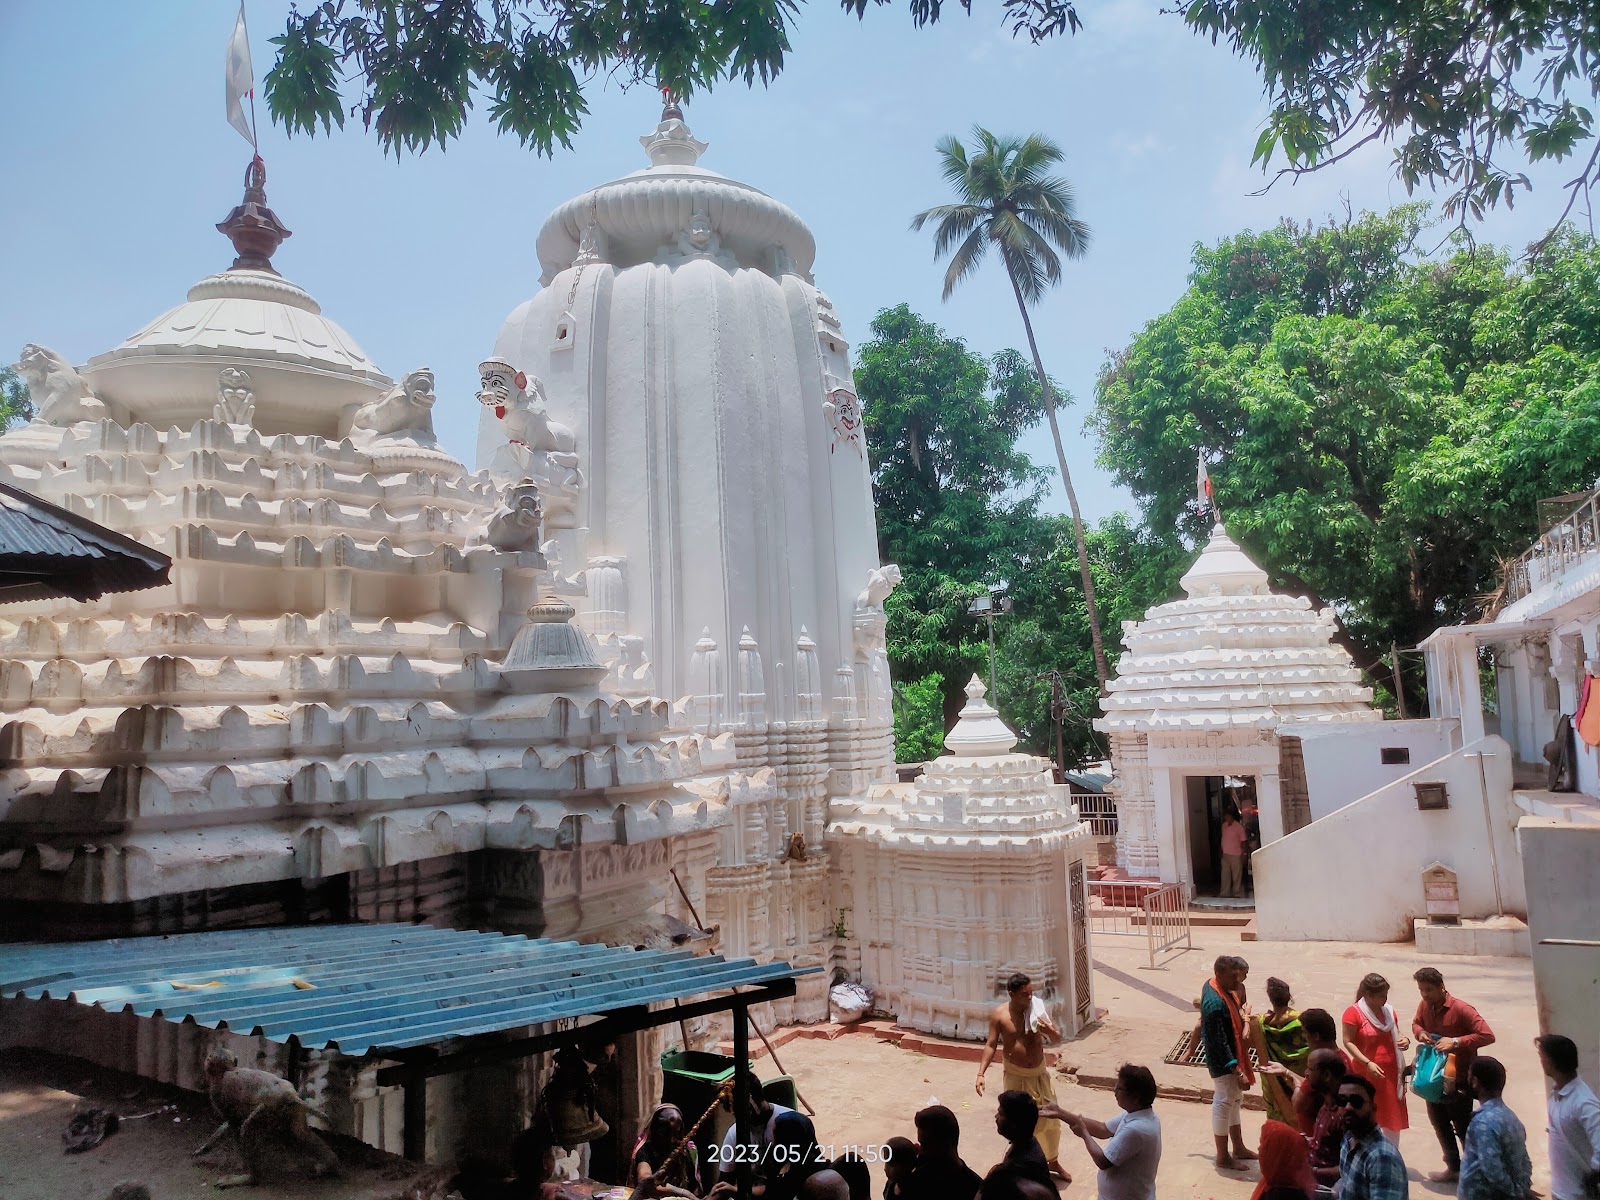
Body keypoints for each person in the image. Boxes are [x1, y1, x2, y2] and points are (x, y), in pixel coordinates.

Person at [977, 974, 1070, 1183]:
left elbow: (1057, 1038)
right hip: (1015, 1075)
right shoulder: (999, 1015)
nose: (1029, 997)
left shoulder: (1037, 1010)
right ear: (1011, 994)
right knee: (1020, 1124)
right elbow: (991, 1044)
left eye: (1031, 993)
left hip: (1039, 1074)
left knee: (1052, 1121)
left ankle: (1052, 1161)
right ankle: (1020, 1166)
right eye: (1024, 994)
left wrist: (1049, 1031)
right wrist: (981, 1073)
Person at [1411, 966, 1497, 1182]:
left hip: (1459, 1079)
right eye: (1421, 990)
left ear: (1442, 987)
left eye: (1429, 990)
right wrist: (1420, 1033)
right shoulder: (1425, 1005)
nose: (1425, 995)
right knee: (1439, 1123)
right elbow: (1416, 1023)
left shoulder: (1462, 1009)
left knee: (1463, 1127)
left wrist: (1457, 1042)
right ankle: (1454, 1167)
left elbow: (1487, 1035)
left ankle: (1475, 1172)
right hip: (1433, 1080)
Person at [1040, 1063, 1161, 1200]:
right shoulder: (1137, 1114)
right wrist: (1061, 1113)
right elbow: (1103, 1129)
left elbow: (1103, 1161)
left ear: (1135, 1097)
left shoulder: (1137, 1129)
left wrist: (1084, 1133)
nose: (1114, 1090)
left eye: (1120, 1088)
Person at [1200, 954, 1258, 1169]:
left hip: (1230, 1057)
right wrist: (1236, 1070)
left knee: (1234, 1100)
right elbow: (1219, 1042)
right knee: (1224, 1102)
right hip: (1222, 1062)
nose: (1238, 983)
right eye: (1233, 979)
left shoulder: (1215, 985)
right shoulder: (1215, 1004)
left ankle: (1239, 1147)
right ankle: (1223, 1156)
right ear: (1219, 974)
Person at [1341, 973, 1410, 1143]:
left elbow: (1396, 1032)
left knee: (1390, 1115)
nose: (1385, 999)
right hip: (1366, 1073)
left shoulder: (1389, 1012)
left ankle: (1390, 1151)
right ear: (1368, 996)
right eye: (1381, 996)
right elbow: (1348, 1041)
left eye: (1386, 995)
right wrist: (1367, 1062)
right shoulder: (1353, 1013)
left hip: (1390, 1073)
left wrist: (1404, 1040)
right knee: (1367, 1111)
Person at [1457, 1057, 1532, 1200]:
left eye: (1469, 1076)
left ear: (1475, 1082)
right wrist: (1523, 1188)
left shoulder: (1483, 1123)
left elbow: (1492, 1170)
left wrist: (1515, 1191)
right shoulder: (1512, 1118)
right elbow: (1525, 1161)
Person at [1538, 1034, 1600, 1200]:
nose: (1541, 1062)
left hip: (1578, 1196)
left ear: (1551, 1062)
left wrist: (1594, 1176)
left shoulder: (1584, 1103)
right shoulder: (1556, 1094)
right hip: (1560, 1191)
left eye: (1542, 1058)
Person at [1335, 1075, 1408, 1200]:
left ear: (1373, 1108)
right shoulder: (1348, 1139)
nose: (1348, 1107)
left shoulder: (1382, 1158)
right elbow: (1345, 1182)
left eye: (1356, 1102)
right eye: (1342, 1101)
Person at [1250, 977, 1311, 1126]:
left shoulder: (1260, 1022)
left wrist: (1246, 1017)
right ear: (1289, 997)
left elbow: (1247, 1040)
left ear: (1270, 998)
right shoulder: (1302, 1021)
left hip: (1273, 1083)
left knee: (1277, 1123)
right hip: (1297, 1079)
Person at [980, 1091, 1055, 1200]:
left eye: (1001, 1114)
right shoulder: (1023, 1145)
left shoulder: (1026, 1165)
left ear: (1014, 1124)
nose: (996, 1117)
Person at [903, 1105, 982, 1200]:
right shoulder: (976, 1186)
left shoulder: (917, 1183)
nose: (920, 1151)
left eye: (925, 1145)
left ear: (945, 1145)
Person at [632, 1104, 701, 1200]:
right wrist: (682, 1192)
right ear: (654, 1129)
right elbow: (645, 1180)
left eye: (676, 1133)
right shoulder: (646, 1150)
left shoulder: (687, 1151)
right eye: (665, 1133)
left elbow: (695, 1189)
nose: (671, 1139)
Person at [1251, 1119, 1316, 1200]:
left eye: (1264, 1146)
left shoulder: (1278, 1194)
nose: (1259, 1149)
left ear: (1277, 1155)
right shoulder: (1288, 1184)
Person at [1220, 806, 1248, 898]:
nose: (1226, 818)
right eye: (1225, 816)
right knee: (1225, 875)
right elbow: (1223, 839)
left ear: (1232, 816)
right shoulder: (1224, 826)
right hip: (1225, 854)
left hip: (1236, 855)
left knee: (1236, 876)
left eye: (1228, 816)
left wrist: (1244, 854)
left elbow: (1243, 841)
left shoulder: (1239, 827)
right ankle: (1225, 893)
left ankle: (1237, 893)